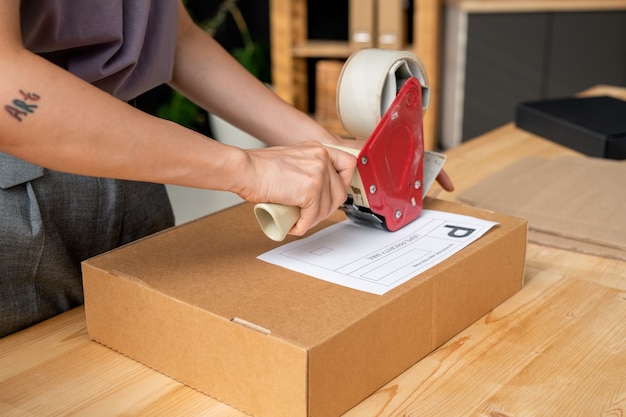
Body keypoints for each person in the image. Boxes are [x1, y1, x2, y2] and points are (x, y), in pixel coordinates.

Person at [0, 1, 453, 337]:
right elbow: (7, 88)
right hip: (19, 187)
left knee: (150, 347)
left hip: (131, 151)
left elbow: (173, 36)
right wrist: (246, 167)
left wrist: (322, 146)